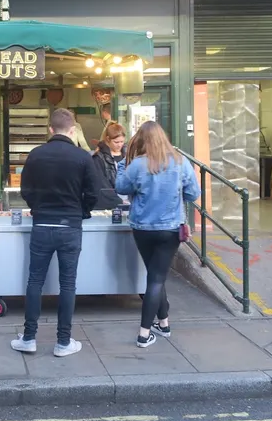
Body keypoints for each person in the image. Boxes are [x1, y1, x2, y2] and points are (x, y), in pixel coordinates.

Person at [12, 108, 99, 357]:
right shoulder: (82, 157)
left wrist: (37, 208)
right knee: (68, 283)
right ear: (73, 130)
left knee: (34, 281)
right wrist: (81, 211)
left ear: (50, 129)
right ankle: (63, 342)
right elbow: (93, 193)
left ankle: (28, 338)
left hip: (41, 225)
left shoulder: (36, 155)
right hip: (70, 227)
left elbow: (25, 189)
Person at [115, 121, 201, 349]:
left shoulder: (137, 165)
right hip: (170, 229)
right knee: (157, 277)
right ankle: (150, 331)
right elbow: (194, 193)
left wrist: (123, 165)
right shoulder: (181, 162)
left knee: (155, 276)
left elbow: (121, 188)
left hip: (142, 228)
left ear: (142, 141)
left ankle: (155, 328)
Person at [91, 123, 127, 210]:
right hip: (109, 203)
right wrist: (117, 200)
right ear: (108, 139)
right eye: (116, 142)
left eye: (122, 142)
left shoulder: (128, 155)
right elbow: (101, 184)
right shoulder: (99, 158)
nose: (119, 145)